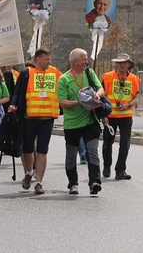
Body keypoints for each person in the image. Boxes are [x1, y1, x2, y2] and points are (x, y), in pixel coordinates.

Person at [9, 48, 62, 194]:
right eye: (46, 59)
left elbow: (64, 86)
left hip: (48, 118)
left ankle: (39, 182)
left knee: (42, 150)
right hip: (29, 117)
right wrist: (13, 104)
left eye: (49, 59)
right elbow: (17, 92)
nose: (49, 61)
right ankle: (28, 172)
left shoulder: (55, 72)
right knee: (27, 149)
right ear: (38, 59)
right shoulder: (27, 73)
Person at [58, 48, 104, 195]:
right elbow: (62, 102)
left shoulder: (89, 73)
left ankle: (94, 182)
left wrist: (97, 95)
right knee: (71, 154)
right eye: (84, 59)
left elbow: (101, 88)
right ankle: (73, 183)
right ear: (75, 61)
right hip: (72, 124)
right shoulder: (64, 79)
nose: (86, 61)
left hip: (90, 121)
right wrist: (80, 102)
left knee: (92, 151)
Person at [101, 53, 141, 180]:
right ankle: (107, 166)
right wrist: (103, 115)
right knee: (108, 143)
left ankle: (120, 170)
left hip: (126, 116)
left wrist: (128, 104)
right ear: (116, 64)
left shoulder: (135, 79)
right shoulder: (107, 77)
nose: (122, 65)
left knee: (125, 144)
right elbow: (101, 97)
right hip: (110, 115)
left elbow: (136, 98)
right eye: (119, 63)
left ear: (129, 64)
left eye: (124, 62)